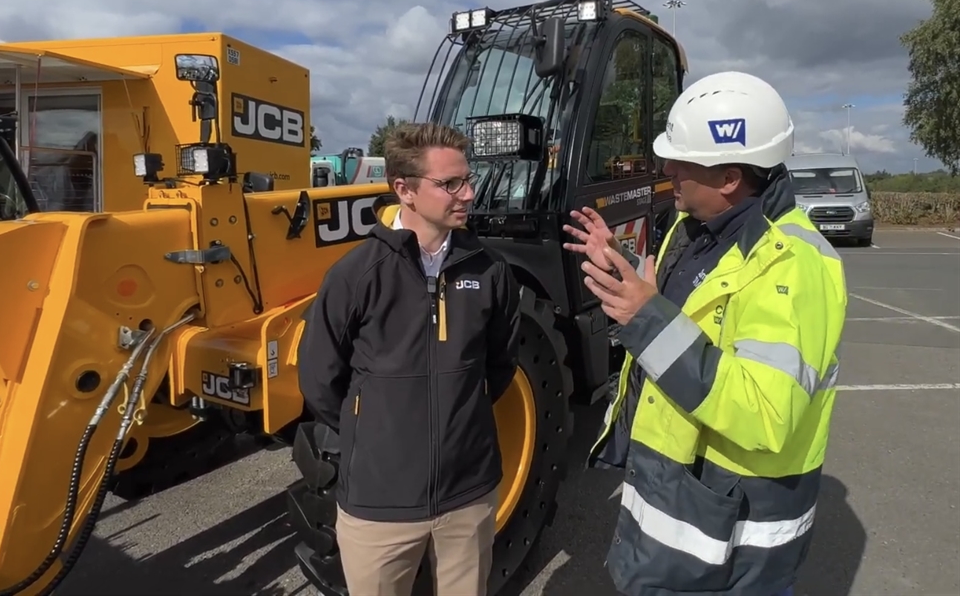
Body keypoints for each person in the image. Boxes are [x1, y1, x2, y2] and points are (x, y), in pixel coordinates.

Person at [563, 71, 847, 596]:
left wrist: (646, 318)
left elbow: (765, 412)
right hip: (678, 514)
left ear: (730, 178)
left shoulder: (793, 263)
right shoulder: (694, 229)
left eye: (680, 162)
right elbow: (690, 318)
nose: (666, 171)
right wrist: (623, 266)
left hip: (733, 545)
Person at [298, 121, 521, 596]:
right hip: (379, 507)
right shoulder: (356, 275)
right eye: (451, 184)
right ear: (405, 190)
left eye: (468, 179)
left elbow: (500, 364)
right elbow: (320, 379)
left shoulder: (490, 270)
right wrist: (376, 434)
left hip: (469, 495)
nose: (468, 193)